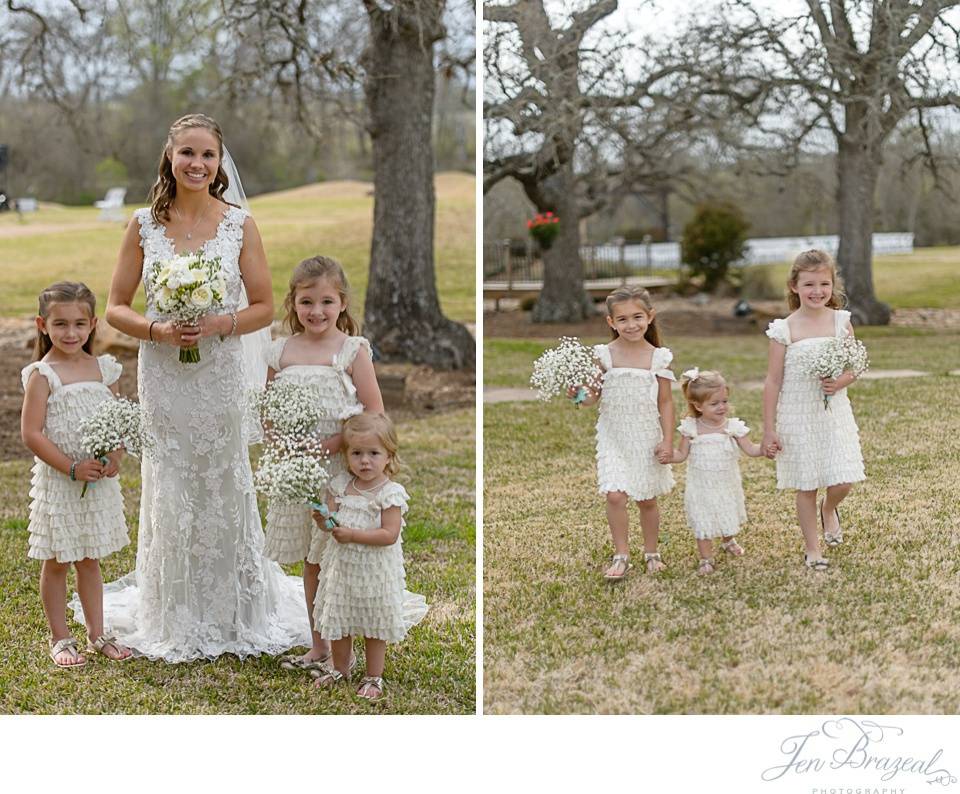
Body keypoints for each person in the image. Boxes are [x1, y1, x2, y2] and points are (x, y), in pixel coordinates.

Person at [87, 113, 308, 661]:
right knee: (171, 480)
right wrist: (159, 330)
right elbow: (115, 307)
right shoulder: (142, 225)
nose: (197, 163)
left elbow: (261, 305)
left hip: (220, 370)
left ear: (219, 163)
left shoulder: (239, 225)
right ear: (169, 156)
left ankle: (234, 609)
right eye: (187, 152)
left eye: (207, 155)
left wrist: (217, 323)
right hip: (163, 371)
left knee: (222, 475)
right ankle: (172, 608)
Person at [264, 256, 384, 674]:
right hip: (296, 470)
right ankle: (319, 645)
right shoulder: (280, 351)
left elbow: (373, 413)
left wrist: (331, 444)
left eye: (327, 301)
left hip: (337, 468)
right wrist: (284, 445)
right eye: (307, 301)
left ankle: (343, 646)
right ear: (292, 303)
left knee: (335, 554)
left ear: (343, 303)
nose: (317, 311)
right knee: (310, 560)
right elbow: (268, 409)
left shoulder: (353, 350)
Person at [20, 282, 132, 667]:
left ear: (93, 325)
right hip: (60, 482)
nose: (71, 333)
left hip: (96, 481)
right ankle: (60, 637)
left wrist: (116, 453)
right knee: (58, 560)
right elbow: (31, 433)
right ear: (42, 325)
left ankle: (97, 633)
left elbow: (119, 421)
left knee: (89, 559)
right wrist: (70, 467)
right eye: (61, 324)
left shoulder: (105, 369)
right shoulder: (42, 374)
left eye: (79, 324)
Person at [311, 412, 427, 701]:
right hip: (342, 570)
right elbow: (331, 525)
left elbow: (389, 535)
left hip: (375, 572)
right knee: (340, 619)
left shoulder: (390, 494)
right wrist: (322, 519)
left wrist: (353, 535)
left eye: (373, 453)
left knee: (374, 624)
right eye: (357, 453)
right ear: (346, 454)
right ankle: (340, 668)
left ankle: (374, 676)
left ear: (389, 455)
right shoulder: (339, 486)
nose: (365, 461)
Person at [762, 249, 866, 571]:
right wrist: (768, 428)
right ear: (794, 286)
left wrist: (841, 383)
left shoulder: (841, 322)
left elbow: (856, 364)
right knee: (806, 484)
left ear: (833, 285)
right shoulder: (784, 329)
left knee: (844, 479)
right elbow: (773, 380)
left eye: (824, 283)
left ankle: (829, 508)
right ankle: (813, 549)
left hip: (834, 412)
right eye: (809, 284)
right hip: (797, 414)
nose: (817, 291)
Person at [575, 286, 675, 580]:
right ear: (611, 323)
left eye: (637, 317)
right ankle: (621, 555)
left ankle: (652, 552)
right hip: (614, 435)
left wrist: (667, 440)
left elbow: (666, 402)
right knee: (616, 495)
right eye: (622, 320)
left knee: (646, 499)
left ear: (650, 317)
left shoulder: (658, 357)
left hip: (646, 436)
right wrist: (578, 395)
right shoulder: (605, 355)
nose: (631, 325)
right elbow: (592, 396)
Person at [671, 368, 763, 575]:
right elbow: (681, 455)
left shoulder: (732, 427)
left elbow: (751, 449)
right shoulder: (691, 428)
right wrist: (668, 455)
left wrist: (766, 448)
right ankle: (706, 558)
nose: (722, 407)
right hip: (701, 486)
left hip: (726, 482)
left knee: (726, 510)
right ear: (697, 405)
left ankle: (728, 540)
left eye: (724, 401)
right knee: (703, 516)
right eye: (714, 403)